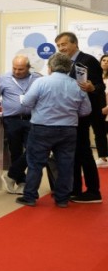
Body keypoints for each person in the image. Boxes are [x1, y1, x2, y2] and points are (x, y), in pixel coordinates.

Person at [15, 52, 90, 208]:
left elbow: (27, 102)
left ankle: (30, 196)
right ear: (69, 68)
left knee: (35, 163)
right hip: (68, 130)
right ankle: (62, 199)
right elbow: (85, 111)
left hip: (41, 128)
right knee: (66, 165)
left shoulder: (41, 82)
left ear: (50, 67)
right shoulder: (78, 85)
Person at [55, 32, 105, 203]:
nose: (61, 48)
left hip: (85, 113)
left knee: (84, 152)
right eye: (58, 46)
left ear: (75, 43)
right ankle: (74, 188)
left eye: (64, 44)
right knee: (73, 152)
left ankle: (93, 191)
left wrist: (92, 88)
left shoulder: (88, 60)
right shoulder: (64, 63)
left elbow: (100, 86)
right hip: (71, 113)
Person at [0, 55, 41, 195]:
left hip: (32, 119)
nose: (17, 72)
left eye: (21, 69)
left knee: (33, 150)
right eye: (14, 68)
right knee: (15, 151)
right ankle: (21, 182)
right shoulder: (3, 79)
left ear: (28, 68)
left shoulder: (37, 79)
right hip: (12, 120)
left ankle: (11, 174)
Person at [97, 53, 108, 168]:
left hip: (106, 109)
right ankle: (103, 157)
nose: (105, 62)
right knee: (100, 133)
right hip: (97, 109)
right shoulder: (96, 77)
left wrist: (107, 108)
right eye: (103, 60)